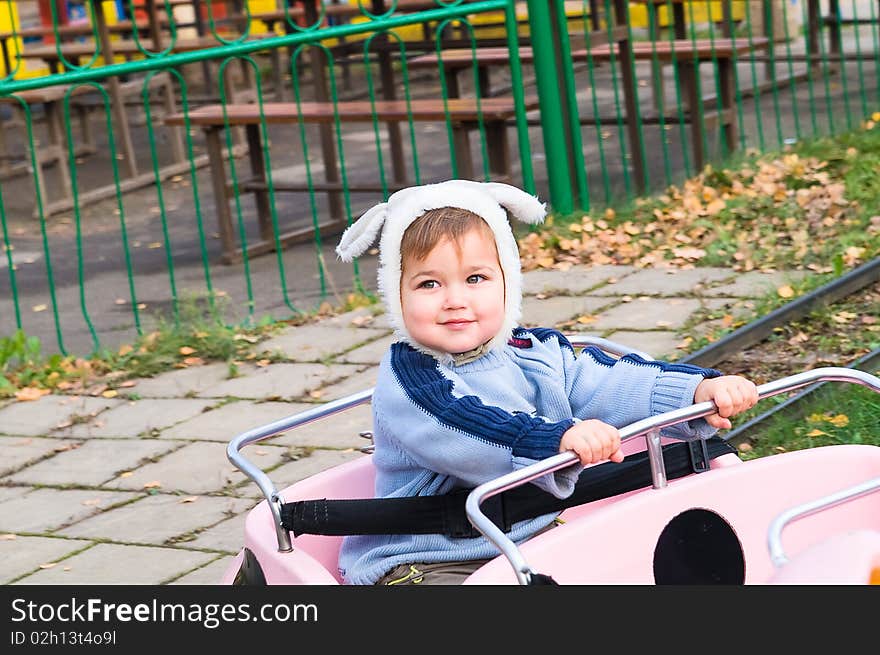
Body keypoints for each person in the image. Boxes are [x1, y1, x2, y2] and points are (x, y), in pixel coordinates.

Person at [334, 179, 758, 585]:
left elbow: (605, 383)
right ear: (397, 295)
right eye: (429, 284)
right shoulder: (411, 381)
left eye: (476, 278)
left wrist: (694, 392)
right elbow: (468, 430)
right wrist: (556, 440)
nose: (455, 300)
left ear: (508, 283)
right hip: (428, 557)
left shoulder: (533, 352)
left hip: (528, 534)